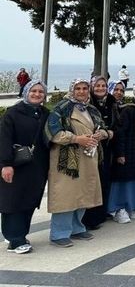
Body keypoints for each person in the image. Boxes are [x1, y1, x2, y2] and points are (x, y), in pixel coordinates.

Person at [45, 79, 109, 247]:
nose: (81, 91)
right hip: (66, 158)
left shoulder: (91, 109)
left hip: (88, 156)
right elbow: (52, 132)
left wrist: (100, 134)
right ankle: (59, 233)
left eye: (85, 88)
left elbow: (102, 126)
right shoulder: (62, 108)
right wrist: (76, 138)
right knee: (65, 195)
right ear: (72, 89)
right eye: (78, 88)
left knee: (83, 192)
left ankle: (77, 227)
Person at [0, 81, 49, 254]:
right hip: (17, 164)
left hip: (37, 166)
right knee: (13, 200)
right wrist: (6, 164)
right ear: (26, 92)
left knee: (29, 200)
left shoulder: (44, 113)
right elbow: (4, 139)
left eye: (40, 91)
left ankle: (17, 234)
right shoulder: (13, 114)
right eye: (33, 91)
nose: (37, 94)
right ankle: (15, 240)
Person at [108, 82, 135, 224]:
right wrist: (120, 153)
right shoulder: (129, 110)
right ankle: (118, 209)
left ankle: (131, 206)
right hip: (128, 150)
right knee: (123, 180)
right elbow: (120, 133)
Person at [82, 75, 118, 230]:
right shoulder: (86, 104)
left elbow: (117, 125)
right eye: (97, 86)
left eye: (103, 86)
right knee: (90, 182)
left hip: (107, 148)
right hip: (89, 147)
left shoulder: (112, 103)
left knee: (103, 182)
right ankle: (86, 218)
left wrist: (108, 133)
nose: (100, 88)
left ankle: (99, 214)